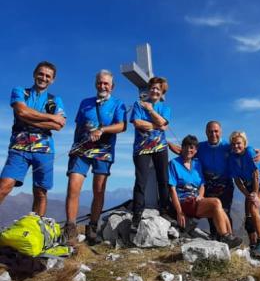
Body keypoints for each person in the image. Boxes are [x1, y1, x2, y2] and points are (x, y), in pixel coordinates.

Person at [169, 120, 260, 239]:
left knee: (224, 211)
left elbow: (243, 148)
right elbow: (185, 151)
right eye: (210, 131)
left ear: (221, 132)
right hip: (208, 184)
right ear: (206, 132)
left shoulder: (228, 145)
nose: (213, 134)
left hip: (225, 185)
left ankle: (228, 238)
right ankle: (218, 238)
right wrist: (166, 143)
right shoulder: (201, 147)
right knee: (211, 214)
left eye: (216, 131)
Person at [63, 70, 127, 245]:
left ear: (112, 87)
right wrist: (73, 147)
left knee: (99, 190)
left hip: (103, 151)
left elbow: (122, 126)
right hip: (81, 149)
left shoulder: (118, 104)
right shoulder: (85, 103)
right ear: (95, 84)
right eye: (100, 82)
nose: (102, 86)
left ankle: (92, 227)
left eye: (106, 83)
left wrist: (102, 130)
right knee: (73, 187)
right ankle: (70, 228)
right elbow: (78, 127)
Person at [0, 61, 66, 217]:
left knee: (40, 192)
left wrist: (28, 117)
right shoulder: (20, 91)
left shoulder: (56, 100)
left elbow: (59, 125)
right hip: (18, 148)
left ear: (52, 80)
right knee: (4, 186)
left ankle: (36, 229)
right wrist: (51, 118)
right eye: (41, 74)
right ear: (34, 74)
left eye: (48, 76)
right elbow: (21, 111)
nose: (43, 78)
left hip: (44, 150)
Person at [168, 135, 242, 249]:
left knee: (220, 210)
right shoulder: (174, 163)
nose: (189, 150)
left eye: (192, 148)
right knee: (216, 202)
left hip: (196, 201)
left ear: (196, 150)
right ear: (181, 148)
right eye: (186, 147)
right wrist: (179, 212)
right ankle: (225, 236)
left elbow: (202, 184)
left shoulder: (197, 163)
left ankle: (229, 238)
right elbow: (172, 189)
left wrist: (201, 196)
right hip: (184, 201)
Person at [130, 77, 170, 230]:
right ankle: (137, 213)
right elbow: (137, 123)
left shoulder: (165, 108)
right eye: (152, 88)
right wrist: (158, 125)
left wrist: (150, 110)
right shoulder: (137, 104)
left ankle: (165, 210)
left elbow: (164, 123)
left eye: (158, 89)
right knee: (141, 180)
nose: (154, 91)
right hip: (141, 147)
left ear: (162, 93)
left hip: (160, 147)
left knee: (163, 179)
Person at [228, 131, 260, 258]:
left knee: (253, 208)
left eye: (239, 143)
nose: (236, 146)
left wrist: (255, 195)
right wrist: (248, 194)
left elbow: (256, 175)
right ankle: (253, 244)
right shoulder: (233, 157)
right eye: (234, 144)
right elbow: (237, 180)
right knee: (248, 217)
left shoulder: (249, 152)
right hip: (249, 188)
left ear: (244, 143)